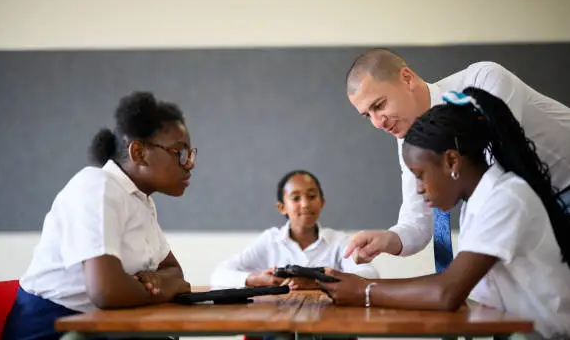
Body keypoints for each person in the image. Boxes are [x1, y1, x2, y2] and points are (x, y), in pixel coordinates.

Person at [320, 87, 570, 339]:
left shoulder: (506, 199)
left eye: (420, 176)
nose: (419, 190)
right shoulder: (478, 202)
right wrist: (343, 284)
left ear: (452, 161)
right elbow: (450, 283)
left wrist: (364, 290)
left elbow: (447, 292)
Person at [343, 48, 570, 272]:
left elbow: (497, 175)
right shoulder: (409, 136)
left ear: (407, 78)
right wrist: (388, 239)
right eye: (367, 115)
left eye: (379, 105)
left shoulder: (484, 81)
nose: (377, 123)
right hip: (538, 210)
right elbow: (417, 220)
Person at [2, 91, 197, 340]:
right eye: (179, 153)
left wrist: (153, 281)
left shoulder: (139, 199)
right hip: (55, 330)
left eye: (191, 155)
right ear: (138, 153)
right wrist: (167, 287)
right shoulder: (97, 187)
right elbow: (107, 291)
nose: (189, 164)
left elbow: (173, 270)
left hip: (102, 327)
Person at [210, 170, 378, 290]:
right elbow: (219, 275)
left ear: (322, 202)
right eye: (296, 198)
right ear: (282, 207)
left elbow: (371, 274)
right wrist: (254, 279)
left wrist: (318, 282)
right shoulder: (270, 241)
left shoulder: (339, 241)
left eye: (312, 196)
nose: (305, 204)